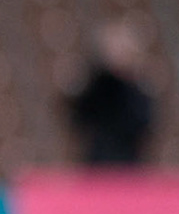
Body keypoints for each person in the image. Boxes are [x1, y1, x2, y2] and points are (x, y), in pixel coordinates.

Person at [66, 20, 155, 166]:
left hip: (129, 162)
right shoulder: (98, 84)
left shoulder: (138, 86)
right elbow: (78, 117)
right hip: (98, 161)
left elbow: (143, 124)